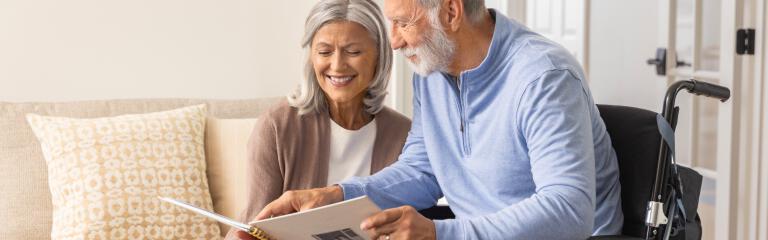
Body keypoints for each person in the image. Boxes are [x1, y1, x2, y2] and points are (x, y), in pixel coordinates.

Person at [239, 0, 624, 239]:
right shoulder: (434, 72)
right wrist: (335, 195)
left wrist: (440, 234)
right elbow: (423, 171)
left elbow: (569, 211)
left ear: (451, 12)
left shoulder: (543, 77)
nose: (393, 42)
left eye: (404, 22)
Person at [225, 0, 411, 238]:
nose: (337, 65)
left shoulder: (405, 135)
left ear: (379, 55)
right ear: (311, 56)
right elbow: (253, 224)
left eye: (353, 52)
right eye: (324, 52)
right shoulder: (277, 127)